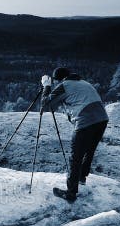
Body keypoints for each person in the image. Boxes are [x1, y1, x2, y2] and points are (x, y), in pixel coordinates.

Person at [42, 67, 108, 203]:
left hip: (86, 120)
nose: (55, 84)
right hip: (102, 119)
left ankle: (70, 193)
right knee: (89, 150)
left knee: (75, 156)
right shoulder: (84, 83)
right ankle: (82, 177)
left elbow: (45, 104)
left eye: (55, 81)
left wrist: (46, 86)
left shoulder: (64, 85)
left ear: (58, 80)